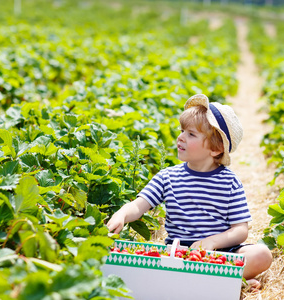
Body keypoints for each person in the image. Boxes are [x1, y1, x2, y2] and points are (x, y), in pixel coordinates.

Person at [107, 94, 273, 289]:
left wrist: (211, 242)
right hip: (177, 255)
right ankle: (225, 283)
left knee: (262, 254)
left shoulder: (229, 182)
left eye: (191, 134)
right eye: (182, 130)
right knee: (132, 256)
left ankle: (213, 280)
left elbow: (240, 230)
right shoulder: (167, 177)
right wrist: (122, 214)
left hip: (218, 255)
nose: (181, 137)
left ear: (216, 148)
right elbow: (138, 205)